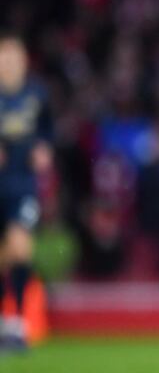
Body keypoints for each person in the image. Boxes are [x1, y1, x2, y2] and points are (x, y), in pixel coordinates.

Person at [0, 34, 53, 352]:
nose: (7, 63)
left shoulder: (37, 93)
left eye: (12, 57)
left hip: (23, 184)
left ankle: (15, 323)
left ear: (23, 60)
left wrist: (44, 148)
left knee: (20, 249)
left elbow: (47, 129)